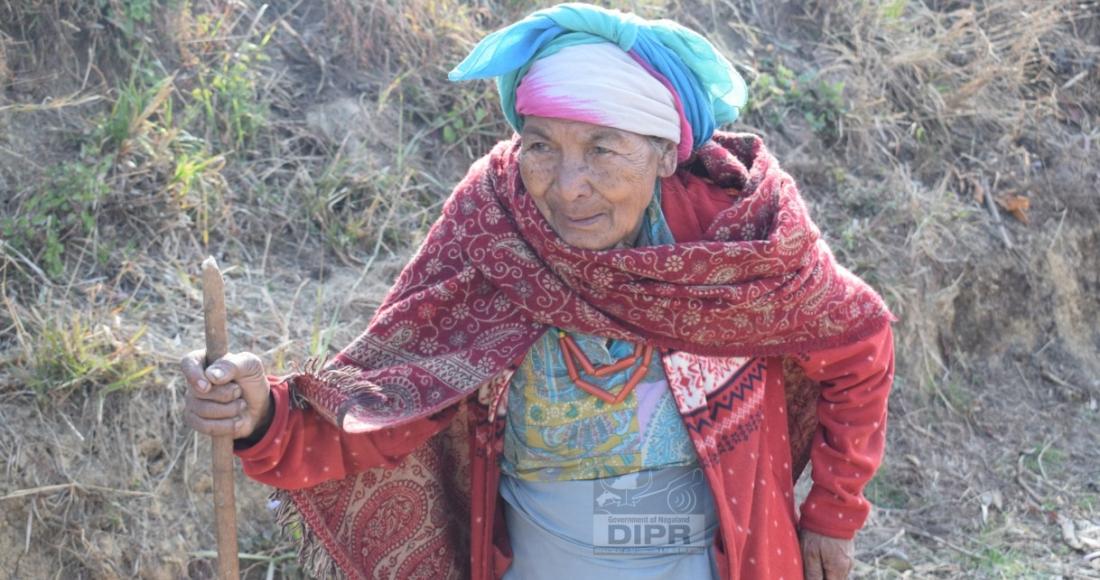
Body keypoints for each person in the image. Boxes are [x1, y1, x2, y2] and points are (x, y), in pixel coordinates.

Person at [180, 4, 895, 579]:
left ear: (664, 152)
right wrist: (262, 414)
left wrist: (834, 512)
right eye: (542, 146)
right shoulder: (498, 225)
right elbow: (396, 392)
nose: (566, 184)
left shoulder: (739, 246)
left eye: (602, 150)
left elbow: (861, 343)